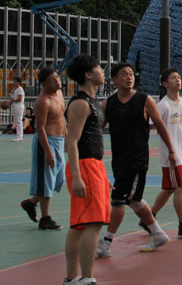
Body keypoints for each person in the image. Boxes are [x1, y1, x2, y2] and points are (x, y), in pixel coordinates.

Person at [96, 63, 175, 258]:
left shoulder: (144, 100)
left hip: (137, 159)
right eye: (124, 74)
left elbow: (160, 125)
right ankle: (158, 233)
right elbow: (97, 129)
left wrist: (171, 150)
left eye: (131, 74)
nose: (129, 77)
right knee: (134, 200)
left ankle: (106, 241)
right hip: (119, 159)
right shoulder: (109, 103)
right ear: (114, 79)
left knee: (118, 200)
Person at [64, 54, 110, 285]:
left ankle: (72, 278)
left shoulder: (92, 102)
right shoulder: (81, 104)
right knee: (92, 223)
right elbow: (71, 142)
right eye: (99, 67)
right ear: (89, 74)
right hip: (85, 165)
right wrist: (77, 177)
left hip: (93, 166)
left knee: (80, 223)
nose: (102, 71)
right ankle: (86, 277)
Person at [141, 68, 182, 239]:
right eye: (173, 78)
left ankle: (148, 217)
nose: (178, 80)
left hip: (181, 154)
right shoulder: (163, 105)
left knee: (169, 189)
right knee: (180, 188)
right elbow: (154, 125)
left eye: (179, 77)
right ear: (165, 83)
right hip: (171, 155)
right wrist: (170, 150)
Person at [20, 67, 66, 230]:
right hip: (47, 141)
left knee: (58, 179)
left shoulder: (59, 95)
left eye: (57, 78)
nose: (57, 81)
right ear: (44, 83)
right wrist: (48, 151)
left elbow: (61, 118)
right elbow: (40, 128)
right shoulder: (43, 101)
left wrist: (66, 138)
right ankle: (45, 219)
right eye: (53, 79)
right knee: (47, 179)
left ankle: (31, 202)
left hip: (59, 140)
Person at [11, 76, 25, 142]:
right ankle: (18, 136)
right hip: (16, 106)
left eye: (15, 81)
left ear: (18, 82)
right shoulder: (16, 89)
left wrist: (12, 101)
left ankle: (20, 136)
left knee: (19, 121)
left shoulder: (20, 89)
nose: (13, 83)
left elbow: (20, 99)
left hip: (19, 106)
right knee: (17, 121)